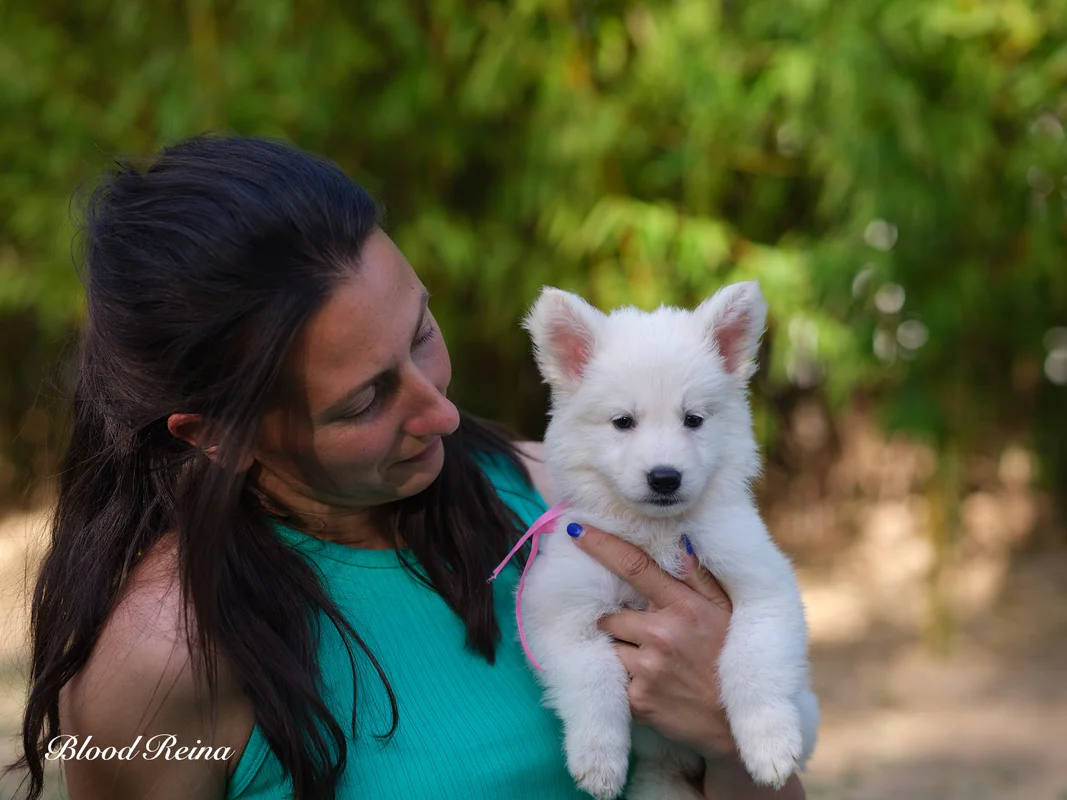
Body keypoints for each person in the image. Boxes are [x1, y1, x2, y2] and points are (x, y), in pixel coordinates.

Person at [8, 135, 805, 800]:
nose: (443, 413)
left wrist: (728, 734)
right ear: (219, 435)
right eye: (363, 401)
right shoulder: (161, 661)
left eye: (421, 329)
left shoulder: (563, 503)